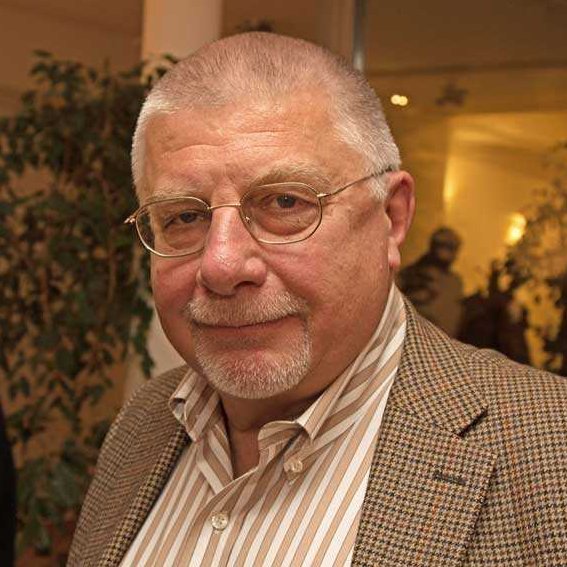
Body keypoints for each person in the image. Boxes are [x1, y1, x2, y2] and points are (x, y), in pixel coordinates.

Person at [68, 33, 567, 566]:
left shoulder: (551, 456)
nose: (222, 265)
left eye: (285, 203)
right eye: (184, 217)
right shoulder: (141, 424)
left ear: (391, 217)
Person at [398, 226, 464, 336]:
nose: (446, 252)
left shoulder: (455, 282)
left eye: (451, 248)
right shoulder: (413, 274)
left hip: (443, 340)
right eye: (443, 246)